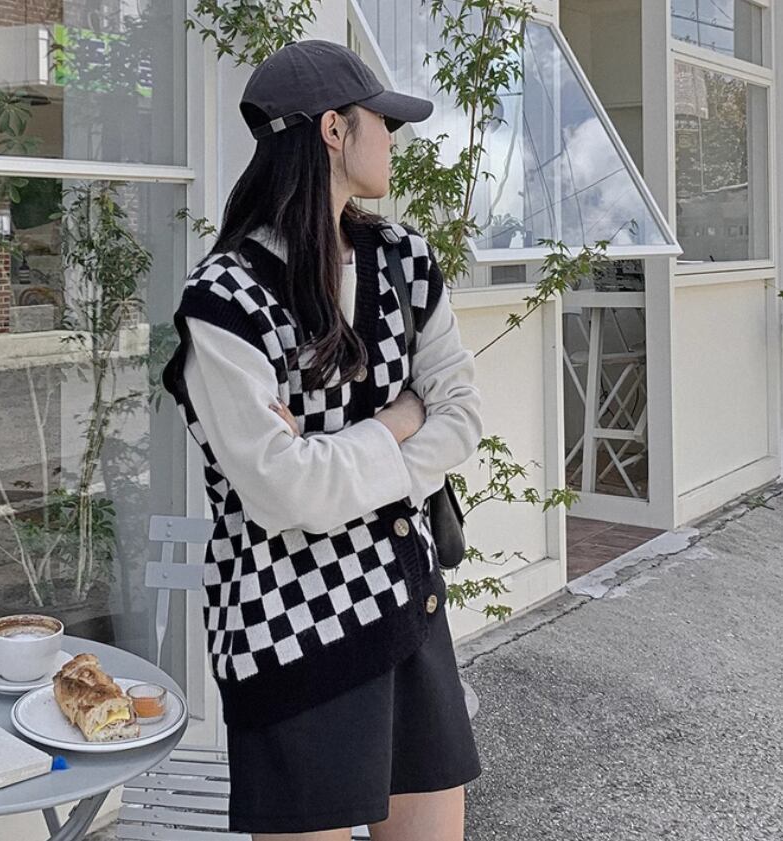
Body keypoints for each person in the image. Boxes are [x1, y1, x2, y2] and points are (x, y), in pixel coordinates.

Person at [161, 39, 485, 841]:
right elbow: (283, 493)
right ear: (334, 131)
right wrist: (398, 420)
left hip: (408, 612)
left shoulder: (405, 262)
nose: (394, 138)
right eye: (383, 121)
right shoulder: (224, 299)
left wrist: (329, 456)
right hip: (290, 635)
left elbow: (462, 414)